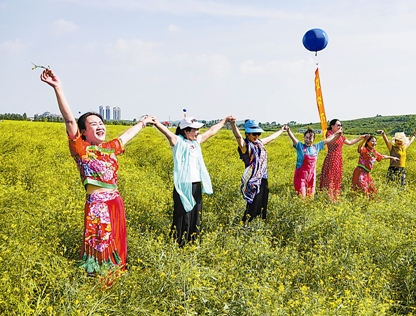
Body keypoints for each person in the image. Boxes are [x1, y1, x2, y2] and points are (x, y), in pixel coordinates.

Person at [40, 69, 156, 276]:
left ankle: (117, 277)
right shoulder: (80, 149)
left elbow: (126, 137)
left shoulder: (110, 148)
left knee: (117, 243)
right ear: (83, 132)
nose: (100, 126)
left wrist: (143, 122)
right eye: (94, 124)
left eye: (101, 123)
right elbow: (69, 121)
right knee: (100, 244)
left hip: (116, 202)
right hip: (97, 204)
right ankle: (99, 282)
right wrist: (58, 88)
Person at [154, 115, 233, 245]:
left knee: (196, 213)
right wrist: (156, 123)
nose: (198, 132)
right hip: (183, 185)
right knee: (181, 214)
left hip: (196, 183)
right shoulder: (178, 141)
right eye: (195, 130)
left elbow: (211, 131)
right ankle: (178, 242)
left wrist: (224, 121)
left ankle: (192, 241)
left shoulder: (196, 142)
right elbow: (167, 133)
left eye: (198, 129)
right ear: (186, 131)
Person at [230, 119, 286, 222]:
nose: (256, 136)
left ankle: (258, 226)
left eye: (258, 133)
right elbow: (238, 137)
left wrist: (281, 130)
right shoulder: (245, 146)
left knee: (262, 205)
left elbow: (271, 137)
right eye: (254, 134)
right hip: (253, 181)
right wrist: (233, 124)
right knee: (253, 206)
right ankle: (246, 226)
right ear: (247, 134)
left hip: (263, 178)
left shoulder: (259, 143)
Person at [285, 126, 341, 198]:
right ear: (304, 138)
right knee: (302, 198)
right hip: (300, 177)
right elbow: (293, 138)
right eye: (306, 138)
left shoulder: (316, 147)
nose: (308, 140)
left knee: (310, 198)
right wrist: (289, 131)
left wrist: (336, 133)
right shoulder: (300, 146)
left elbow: (328, 139)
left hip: (311, 177)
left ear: (313, 139)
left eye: (310, 138)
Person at [319, 119, 366, 201]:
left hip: (338, 159)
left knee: (337, 177)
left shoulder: (341, 136)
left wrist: (361, 138)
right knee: (330, 177)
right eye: (338, 125)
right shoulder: (329, 133)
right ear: (332, 126)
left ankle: (336, 196)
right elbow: (330, 141)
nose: (340, 127)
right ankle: (328, 197)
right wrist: (338, 134)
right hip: (331, 158)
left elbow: (350, 142)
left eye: (341, 125)